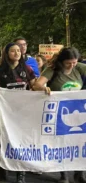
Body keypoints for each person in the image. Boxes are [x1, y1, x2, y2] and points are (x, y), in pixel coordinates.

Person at [33, 47, 86, 183]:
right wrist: (44, 88)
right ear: (62, 61)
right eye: (69, 63)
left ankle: (79, 172)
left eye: (74, 62)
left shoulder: (79, 67)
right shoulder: (52, 69)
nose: (72, 65)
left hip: (78, 109)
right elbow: (37, 85)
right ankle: (64, 174)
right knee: (61, 142)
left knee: (79, 141)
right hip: (60, 111)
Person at [0, 43, 36, 183]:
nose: (17, 53)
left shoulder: (27, 69)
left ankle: (20, 173)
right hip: (5, 111)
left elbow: (35, 86)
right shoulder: (0, 70)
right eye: (13, 51)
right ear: (7, 53)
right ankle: (3, 168)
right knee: (4, 140)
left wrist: (44, 90)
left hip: (22, 111)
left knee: (21, 141)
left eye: (18, 50)